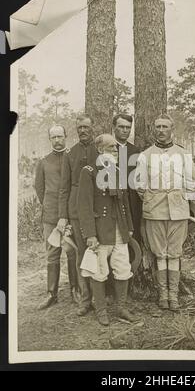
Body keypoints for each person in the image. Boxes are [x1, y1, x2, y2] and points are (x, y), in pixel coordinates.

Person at [135, 115, 195, 311]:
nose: (161, 130)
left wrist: (179, 197)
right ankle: (163, 295)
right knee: (160, 254)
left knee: (175, 253)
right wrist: (154, 198)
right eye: (158, 126)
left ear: (172, 129)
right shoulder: (145, 155)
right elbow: (139, 185)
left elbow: (192, 182)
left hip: (178, 211)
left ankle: (174, 295)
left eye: (165, 127)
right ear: (154, 129)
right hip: (155, 211)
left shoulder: (183, 154)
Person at [77, 134, 137, 326]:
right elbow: (84, 206)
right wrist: (90, 235)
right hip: (101, 231)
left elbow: (124, 202)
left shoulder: (118, 171)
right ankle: (101, 310)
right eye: (111, 147)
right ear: (101, 150)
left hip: (119, 228)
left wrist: (128, 227)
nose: (116, 151)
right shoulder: (89, 171)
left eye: (116, 148)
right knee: (99, 271)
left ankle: (121, 308)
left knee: (123, 268)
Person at [35, 125, 79, 310]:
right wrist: (50, 208)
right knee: (52, 254)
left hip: (71, 215)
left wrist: (68, 213)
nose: (57, 140)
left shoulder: (72, 158)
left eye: (60, 136)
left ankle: (75, 290)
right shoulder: (44, 162)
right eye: (53, 137)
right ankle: (51, 293)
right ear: (50, 139)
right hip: (51, 216)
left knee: (72, 252)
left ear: (66, 137)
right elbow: (40, 189)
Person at [58, 116, 98, 316]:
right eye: (80, 127)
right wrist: (63, 216)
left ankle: (102, 297)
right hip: (76, 211)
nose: (83, 130)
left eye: (86, 127)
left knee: (100, 252)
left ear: (93, 128)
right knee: (82, 253)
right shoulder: (70, 154)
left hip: (98, 209)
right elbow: (64, 188)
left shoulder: (100, 150)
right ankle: (85, 299)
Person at [112, 113, 142, 244]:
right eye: (121, 127)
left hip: (132, 201)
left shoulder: (135, 150)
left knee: (134, 236)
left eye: (128, 127)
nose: (125, 130)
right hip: (113, 200)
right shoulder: (108, 148)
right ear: (114, 128)